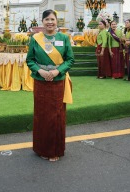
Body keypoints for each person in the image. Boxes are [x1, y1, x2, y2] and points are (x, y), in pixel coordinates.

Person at [25, 10, 74, 161]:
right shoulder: (35, 38)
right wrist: (39, 71)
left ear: (56, 21)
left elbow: (70, 60)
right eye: (47, 19)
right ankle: (41, 148)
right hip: (40, 82)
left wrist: (56, 71)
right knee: (41, 115)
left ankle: (54, 150)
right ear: (42, 21)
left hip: (58, 81)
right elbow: (30, 60)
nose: (50, 22)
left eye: (52, 19)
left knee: (56, 115)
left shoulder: (64, 38)